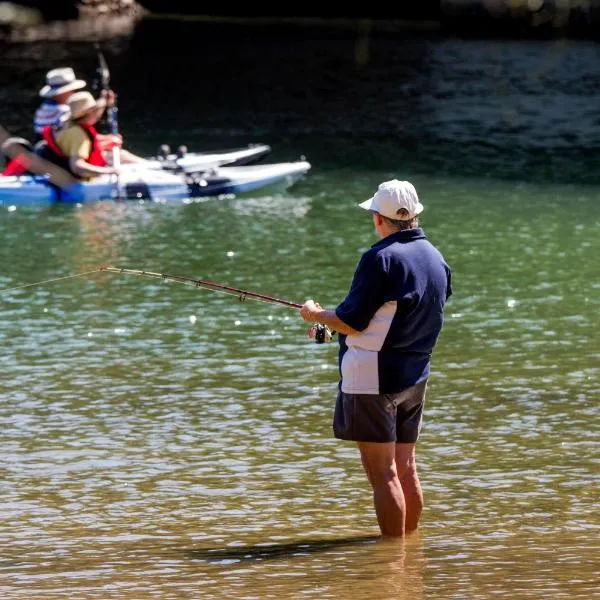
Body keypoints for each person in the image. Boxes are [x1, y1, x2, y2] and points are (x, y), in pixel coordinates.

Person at [299, 180, 452, 538]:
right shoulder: (436, 258)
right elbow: (398, 315)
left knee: (383, 475)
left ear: (378, 218)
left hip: (373, 377)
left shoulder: (380, 258)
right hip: (415, 377)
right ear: (414, 216)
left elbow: (351, 321)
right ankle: (409, 554)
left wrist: (315, 315)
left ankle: (392, 562)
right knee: (406, 467)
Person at [38, 90, 142, 180]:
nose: (98, 114)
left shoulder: (69, 124)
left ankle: (150, 165)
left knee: (121, 154)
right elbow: (77, 166)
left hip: (68, 157)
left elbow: (92, 117)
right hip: (76, 172)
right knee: (119, 156)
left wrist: (104, 100)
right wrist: (109, 171)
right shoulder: (78, 136)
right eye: (95, 111)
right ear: (88, 114)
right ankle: (149, 166)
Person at [33, 67, 86, 138]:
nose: (73, 93)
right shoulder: (64, 111)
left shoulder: (42, 109)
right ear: (60, 94)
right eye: (70, 90)